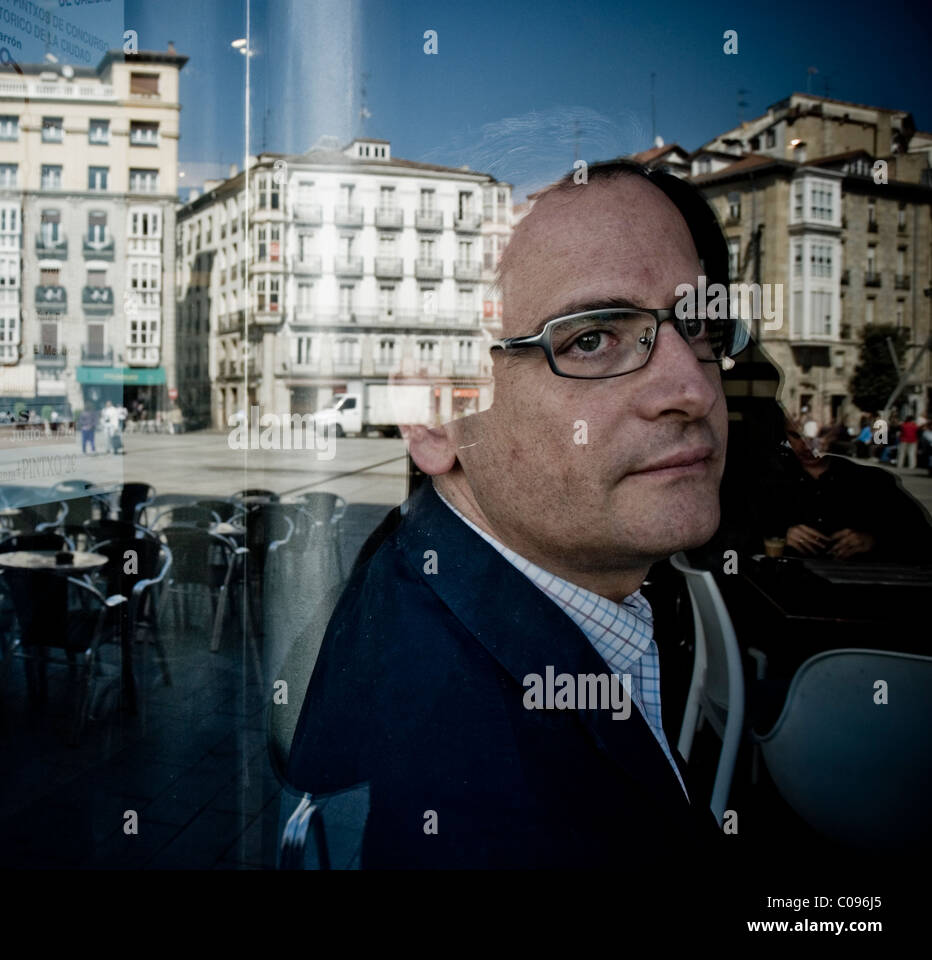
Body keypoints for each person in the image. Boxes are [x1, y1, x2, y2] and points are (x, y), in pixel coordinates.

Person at [286, 161, 734, 868]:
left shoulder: (441, 573)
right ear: (435, 416)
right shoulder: (492, 800)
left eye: (699, 325)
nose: (690, 388)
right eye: (591, 339)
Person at [760, 413, 932, 562]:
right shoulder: (766, 479)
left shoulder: (872, 481)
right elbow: (738, 533)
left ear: (835, 434)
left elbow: (920, 538)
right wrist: (778, 536)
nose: (807, 445)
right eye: (796, 436)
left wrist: (874, 541)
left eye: (819, 436)